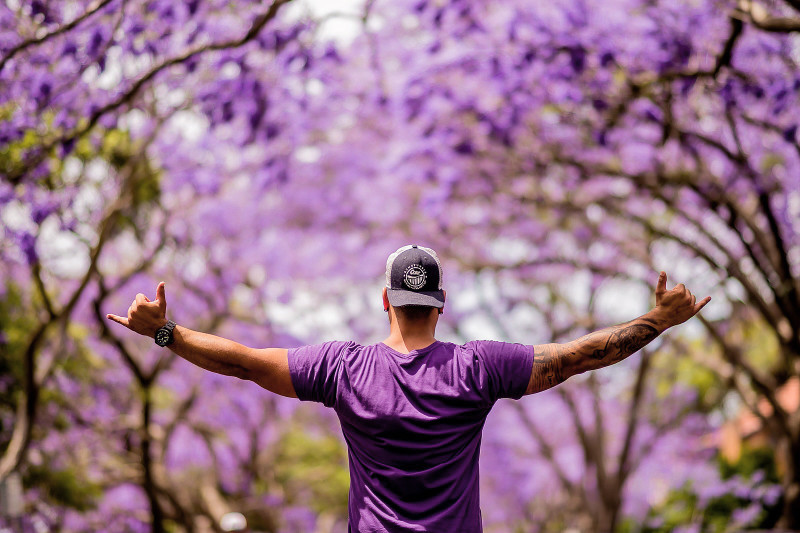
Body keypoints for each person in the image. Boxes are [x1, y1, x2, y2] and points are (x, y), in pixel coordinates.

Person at [107, 244, 711, 533]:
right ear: (441, 304)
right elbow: (578, 357)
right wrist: (658, 320)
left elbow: (245, 364)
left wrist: (166, 332)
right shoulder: (479, 368)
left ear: (386, 300)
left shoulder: (344, 369)